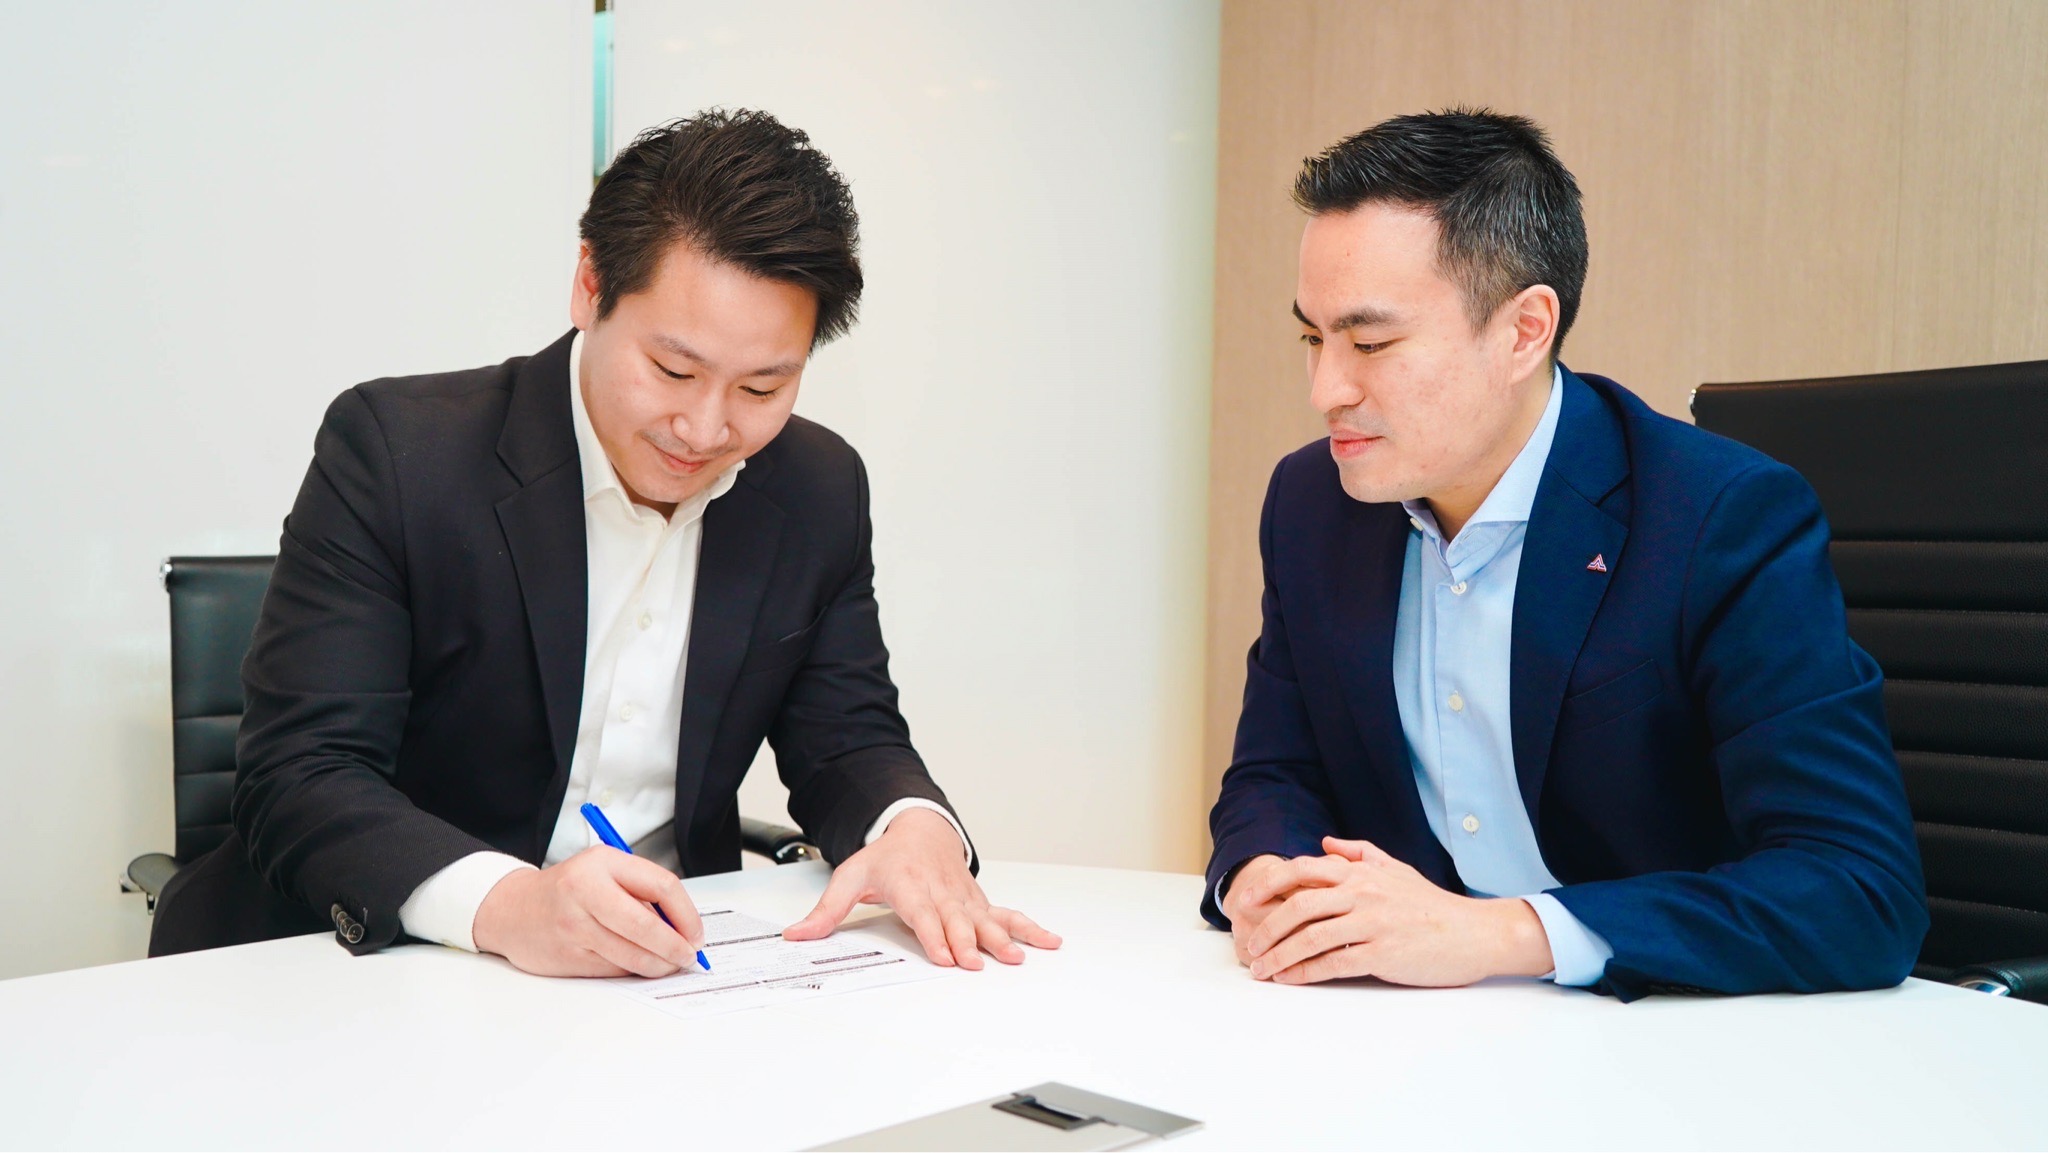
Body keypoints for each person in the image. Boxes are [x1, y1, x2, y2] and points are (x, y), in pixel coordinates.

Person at [152, 109, 1060, 978]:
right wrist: (511, 905)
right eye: (673, 369)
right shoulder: (399, 453)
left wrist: (914, 829)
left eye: (761, 388)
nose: (705, 429)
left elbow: (849, 736)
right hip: (368, 968)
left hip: (660, 982)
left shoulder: (815, 488)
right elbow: (300, 774)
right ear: (590, 285)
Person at [1203, 108, 1926, 1000]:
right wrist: (1267, 878)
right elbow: (1276, 774)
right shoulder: (1314, 502)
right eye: (1313, 338)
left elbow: (1858, 888)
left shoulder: (1718, 516)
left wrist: (1500, 933)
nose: (1326, 389)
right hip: (1413, 1029)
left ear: (1524, 330)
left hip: (1670, 1035)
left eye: (1372, 343)